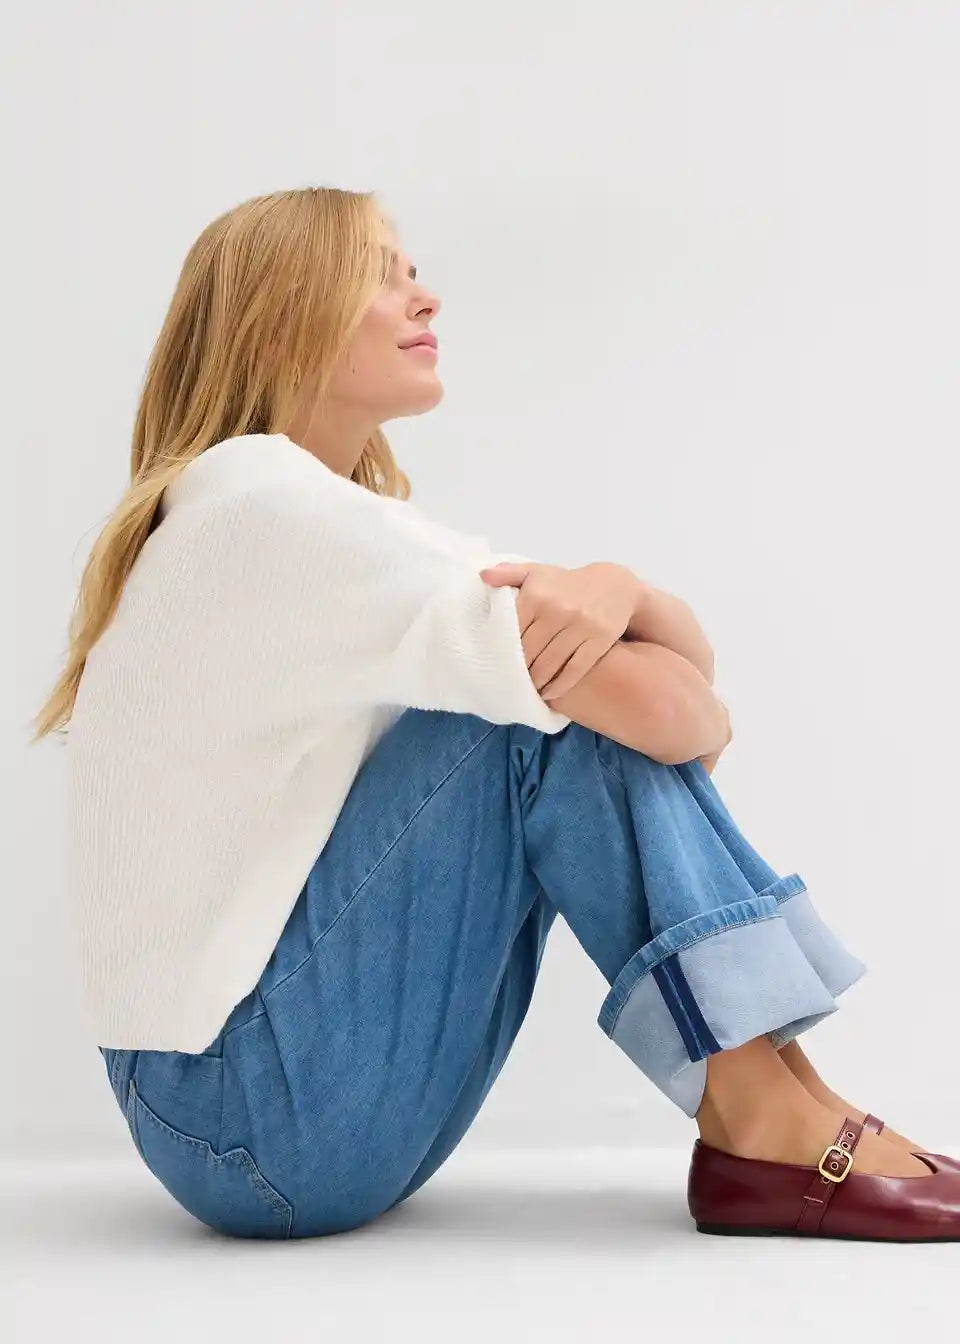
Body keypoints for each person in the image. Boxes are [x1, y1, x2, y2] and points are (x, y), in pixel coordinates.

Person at [32, 186, 960, 1243]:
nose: (425, 296)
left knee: (542, 696)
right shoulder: (266, 507)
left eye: (412, 270)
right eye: (377, 274)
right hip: (246, 1116)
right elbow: (673, 713)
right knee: (521, 719)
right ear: (280, 318)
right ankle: (764, 1115)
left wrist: (619, 589)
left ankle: (779, 1100)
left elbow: (685, 706)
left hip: (243, 1120)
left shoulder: (267, 513)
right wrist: (623, 617)